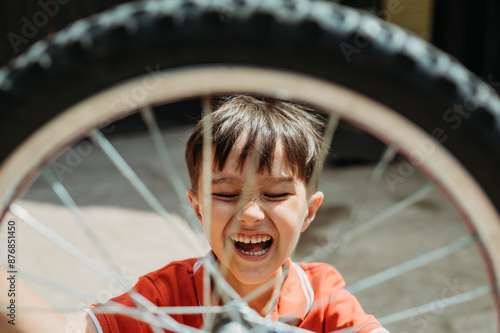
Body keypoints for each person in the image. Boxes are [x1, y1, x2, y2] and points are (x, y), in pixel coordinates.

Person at [1, 95, 388, 333]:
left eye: (275, 194)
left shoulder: (322, 294)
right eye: (225, 194)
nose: (250, 214)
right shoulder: (167, 294)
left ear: (309, 212)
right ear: (197, 208)